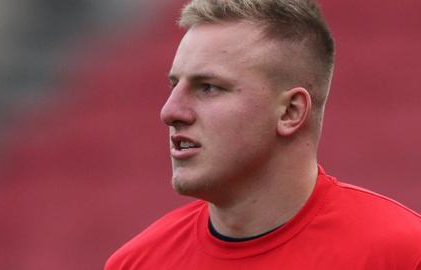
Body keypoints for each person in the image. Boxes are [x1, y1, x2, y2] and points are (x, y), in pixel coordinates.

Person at [105, 0, 421, 269]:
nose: (170, 112)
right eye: (175, 85)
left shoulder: (401, 254)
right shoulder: (137, 262)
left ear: (290, 112)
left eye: (209, 87)